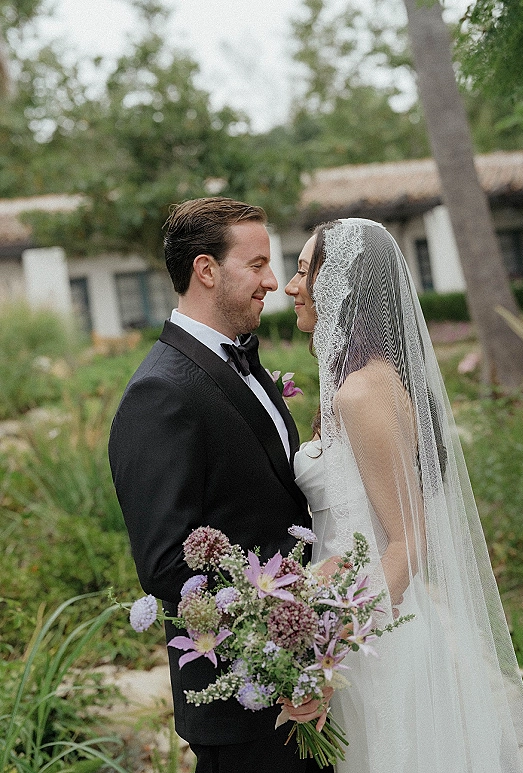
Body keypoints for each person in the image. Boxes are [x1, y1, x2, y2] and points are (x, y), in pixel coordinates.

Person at [284, 218, 523, 773]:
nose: (291, 285)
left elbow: (410, 538)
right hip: (366, 625)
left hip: (377, 640)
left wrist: (331, 642)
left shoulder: (364, 391)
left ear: (341, 286)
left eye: (305, 270)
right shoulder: (357, 382)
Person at [108, 197, 329, 773]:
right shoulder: (160, 394)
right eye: (256, 265)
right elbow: (166, 566)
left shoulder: (248, 364)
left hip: (304, 683)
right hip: (244, 699)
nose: (273, 283)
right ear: (207, 270)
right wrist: (275, 639)